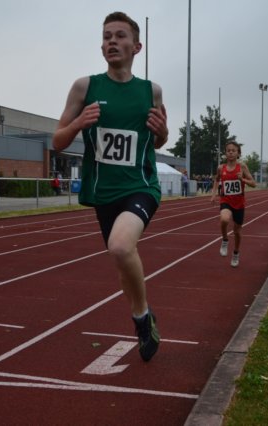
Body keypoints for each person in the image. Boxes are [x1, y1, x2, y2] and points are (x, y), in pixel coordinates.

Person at [52, 11, 168, 362]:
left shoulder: (151, 91)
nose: (112, 42)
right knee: (122, 261)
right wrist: (79, 123)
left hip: (141, 185)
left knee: (119, 245)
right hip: (104, 192)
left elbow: (159, 140)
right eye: (106, 37)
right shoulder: (85, 87)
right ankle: (143, 314)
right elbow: (57, 141)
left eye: (119, 36)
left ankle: (142, 320)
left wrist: (163, 132)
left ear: (137, 46)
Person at [210, 140, 256, 268]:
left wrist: (243, 179)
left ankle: (236, 253)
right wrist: (214, 194)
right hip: (226, 200)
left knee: (237, 232)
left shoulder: (242, 167)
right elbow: (217, 180)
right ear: (225, 153)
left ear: (238, 153)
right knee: (224, 219)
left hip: (239, 204)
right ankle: (225, 240)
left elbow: (253, 183)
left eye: (233, 150)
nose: (230, 153)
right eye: (228, 150)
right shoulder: (221, 168)